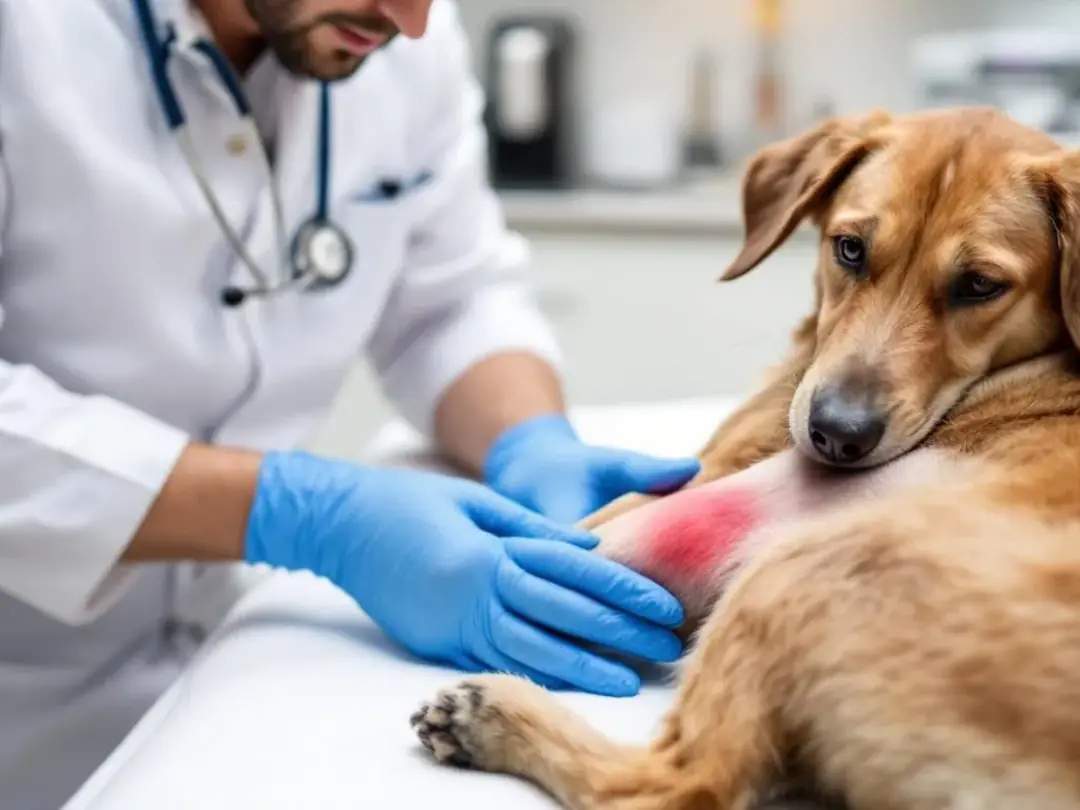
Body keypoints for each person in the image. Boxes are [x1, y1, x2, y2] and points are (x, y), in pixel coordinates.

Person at [0, 1, 702, 806]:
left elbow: (450, 301)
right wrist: (300, 513)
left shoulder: (397, 38)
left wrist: (530, 442)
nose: (411, 21)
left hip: (211, 675)